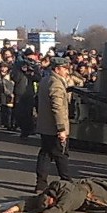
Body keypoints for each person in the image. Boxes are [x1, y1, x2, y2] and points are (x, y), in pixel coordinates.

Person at [1, 178, 107, 213]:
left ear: (53, 199)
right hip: (87, 195)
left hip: (96, 195)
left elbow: (60, 209)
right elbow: (33, 201)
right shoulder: (49, 192)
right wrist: (16, 208)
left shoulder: (66, 193)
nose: (51, 205)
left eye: (50, 204)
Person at [35, 56, 72, 190]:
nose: (67, 71)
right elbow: (57, 107)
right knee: (60, 154)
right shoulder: (56, 83)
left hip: (45, 125)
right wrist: (61, 128)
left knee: (45, 154)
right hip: (54, 126)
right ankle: (67, 181)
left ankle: (41, 182)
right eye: (65, 68)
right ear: (57, 69)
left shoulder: (45, 80)